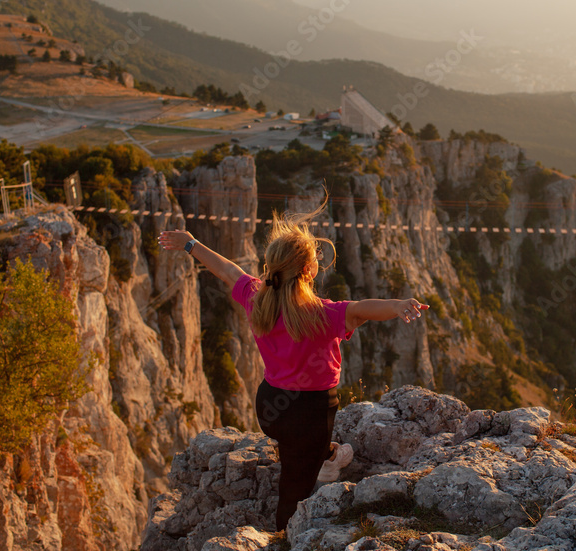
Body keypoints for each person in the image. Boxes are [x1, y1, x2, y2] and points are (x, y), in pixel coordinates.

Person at [158, 200, 428, 531]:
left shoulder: (257, 297)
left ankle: (326, 455)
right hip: (312, 413)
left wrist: (190, 243)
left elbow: (228, 270)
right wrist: (399, 305)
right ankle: (286, 532)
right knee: (295, 487)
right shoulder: (323, 314)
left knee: (300, 447)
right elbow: (362, 310)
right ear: (308, 271)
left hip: (269, 407)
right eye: (315, 259)